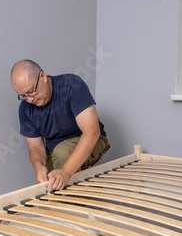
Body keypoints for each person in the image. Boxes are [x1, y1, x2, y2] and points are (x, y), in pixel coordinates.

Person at [10, 59, 110, 191]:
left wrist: (66, 171)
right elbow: (35, 148)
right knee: (49, 181)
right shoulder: (25, 108)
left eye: (31, 92)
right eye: (23, 96)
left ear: (43, 76)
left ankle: (74, 207)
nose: (30, 99)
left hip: (93, 141)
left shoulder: (72, 85)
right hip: (55, 151)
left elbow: (92, 132)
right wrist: (39, 166)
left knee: (63, 154)